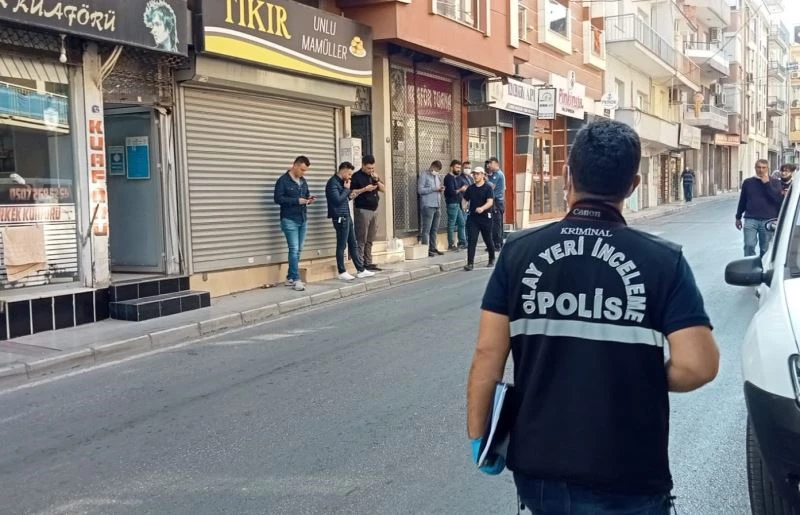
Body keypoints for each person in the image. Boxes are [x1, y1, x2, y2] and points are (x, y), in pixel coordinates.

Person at [466, 119, 719, 514]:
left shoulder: (518, 252)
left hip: (539, 468)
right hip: (628, 469)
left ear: (567, 177)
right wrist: (635, 374)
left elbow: (487, 354)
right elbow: (698, 365)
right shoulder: (663, 261)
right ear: (633, 186)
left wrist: (480, 436)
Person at [325, 162, 377, 281]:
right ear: (343, 170)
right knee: (342, 245)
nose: (350, 177)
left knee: (353, 243)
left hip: (346, 216)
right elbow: (337, 201)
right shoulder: (332, 183)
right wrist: (346, 189)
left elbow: (344, 199)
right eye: (349, 174)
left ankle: (360, 269)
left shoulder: (341, 183)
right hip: (339, 217)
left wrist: (351, 195)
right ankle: (342, 271)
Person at [274, 156, 315, 292]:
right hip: (289, 219)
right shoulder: (283, 181)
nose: (303, 173)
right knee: (294, 249)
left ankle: (290, 277)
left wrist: (309, 199)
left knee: (298, 250)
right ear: (295, 166)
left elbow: (306, 195)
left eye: (305, 171)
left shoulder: (303, 181)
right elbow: (278, 199)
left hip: (303, 218)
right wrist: (296, 201)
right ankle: (296, 279)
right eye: (302, 170)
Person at [735, 159, 784, 257]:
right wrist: (738, 217)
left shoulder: (775, 182)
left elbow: (777, 199)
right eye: (758, 167)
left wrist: (767, 184)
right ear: (755, 168)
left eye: (763, 168)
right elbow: (742, 201)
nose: (761, 170)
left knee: (765, 248)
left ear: (767, 168)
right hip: (751, 219)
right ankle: (749, 264)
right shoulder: (748, 182)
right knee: (749, 245)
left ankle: (763, 266)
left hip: (768, 220)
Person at [350, 155, 385, 271]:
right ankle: (359, 264)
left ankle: (368, 262)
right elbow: (351, 192)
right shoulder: (356, 177)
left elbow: (383, 189)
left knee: (370, 238)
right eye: (368, 168)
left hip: (374, 210)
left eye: (372, 168)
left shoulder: (373, 176)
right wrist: (365, 189)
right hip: (362, 210)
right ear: (363, 165)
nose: (370, 170)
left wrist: (377, 180)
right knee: (361, 238)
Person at [463, 167, 495, 271]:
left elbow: (490, 202)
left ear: (482, 175)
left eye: (477, 174)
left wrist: (482, 208)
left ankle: (491, 258)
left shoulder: (488, 188)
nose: (475, 176)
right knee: (472, 240)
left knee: (487, 239)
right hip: (473, 218)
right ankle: (470, 263)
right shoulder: (470, 188)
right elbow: (464, 199)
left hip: (485, 218)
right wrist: (464, 207)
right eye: (474, 174)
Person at [418, 161, 445, 257]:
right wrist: (434, 188)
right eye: (436, 170)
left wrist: (440, 189)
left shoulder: (437, 177)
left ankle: (433, 248)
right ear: (432, 166)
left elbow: (437, 188)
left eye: (438, 171)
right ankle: (425, 249)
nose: (436, 172)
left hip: (437, 205)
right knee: (426, 229)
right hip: (428, 205)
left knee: (434, 229)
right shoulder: (424, 175)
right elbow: (420, 190)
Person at [443, 160, 470, 251]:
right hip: (452, 203)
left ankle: (462, 242)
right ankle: (451, 244)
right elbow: (451, 192)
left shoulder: (456, 178)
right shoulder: (448, 178)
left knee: (462, 223)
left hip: (458, 203)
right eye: (457, 167)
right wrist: (461, 189)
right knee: (451, 223)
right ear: (451, 167)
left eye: (459, 168)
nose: (459, 169)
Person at [486, 157, 506, 251]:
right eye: (488, 163)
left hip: (497, 202)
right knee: (496, 223)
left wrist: (486, 180)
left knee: (496, 223)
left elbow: (492, 187)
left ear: (496, 164)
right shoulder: (494, 174)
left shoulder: (498, 174)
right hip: (497, 201)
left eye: (491, 163)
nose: (489, 165)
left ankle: (497, 244)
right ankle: (498, 243)